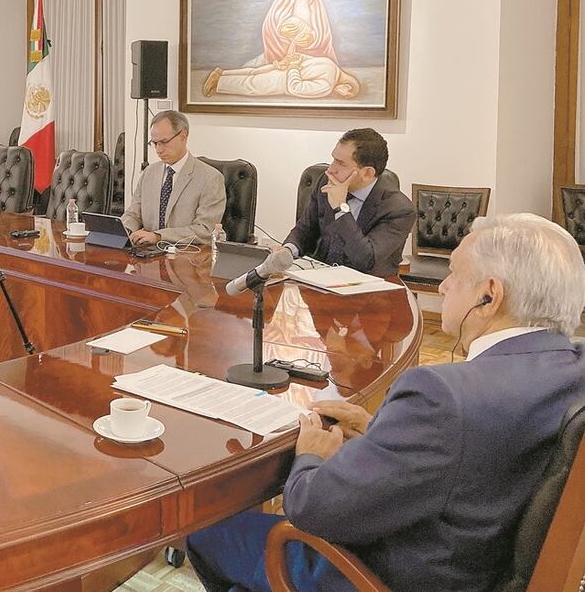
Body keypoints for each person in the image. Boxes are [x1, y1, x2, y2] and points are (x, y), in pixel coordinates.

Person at [187, 213, 585, 591]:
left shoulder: (442, 395)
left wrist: (311, 455)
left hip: (385, 576)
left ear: (489, 295)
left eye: (454, 275)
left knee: (208, 525)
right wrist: (384, 432)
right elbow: (473, 455)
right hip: (480, 568)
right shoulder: (574, 370)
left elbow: (314, 509)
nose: (443, 287)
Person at [280, 128, 415, 277]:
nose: (330, 169)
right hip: (318, 278)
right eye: (333, 159)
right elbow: (305, 230)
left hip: (367, 289)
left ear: (368, 173)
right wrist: (288, 250)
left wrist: (341, 209)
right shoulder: (326, 183)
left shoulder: (400, 210)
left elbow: (366, 259)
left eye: (341, 164)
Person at [120, 110, 226, 245]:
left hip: (187, 257)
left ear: (183, 136)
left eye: (164, 142)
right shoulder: (149, 172)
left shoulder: (210, 178)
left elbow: (205, 230)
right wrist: (124, 230)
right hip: (147, 254)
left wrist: (159, 236)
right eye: (154, 143)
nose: (159, 150)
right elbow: (134, 214)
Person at [202, 51, 360, 100]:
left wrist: (290, 61)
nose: (343, 95)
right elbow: (295, 87)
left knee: (253, 73)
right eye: (347, 94)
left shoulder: (329, 63)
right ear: (347, 86)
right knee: (250, 85)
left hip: (285, 70)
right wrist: (292, 66)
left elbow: (302, 57)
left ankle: (221, 74)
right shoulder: (326, 85)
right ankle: (217, 84)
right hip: (283, 79)